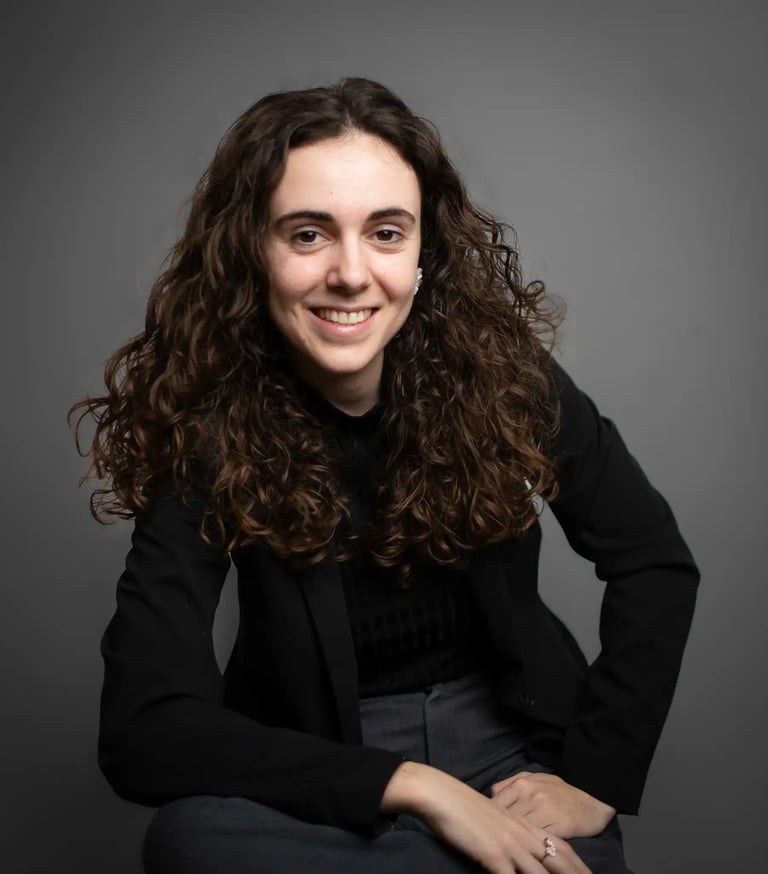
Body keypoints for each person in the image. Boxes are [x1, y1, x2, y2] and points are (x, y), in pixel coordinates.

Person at [70, 78, 699, 874]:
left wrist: (596, 777)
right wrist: (414, 787)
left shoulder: (509, 382)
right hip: (320, 773)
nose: (351, 273)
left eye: (387, 233)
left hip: (510, 762)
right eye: (307, 235)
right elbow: (143, 730)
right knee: (190, 846)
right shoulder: (210, 435)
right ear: (250, 253)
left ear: (423, 254)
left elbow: (656, 564)